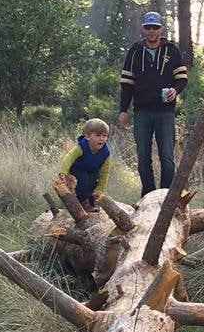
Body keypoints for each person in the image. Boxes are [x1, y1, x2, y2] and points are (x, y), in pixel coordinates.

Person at [118, 11, 188, 196]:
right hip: (141, 112)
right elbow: (126, 84)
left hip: (165, 113)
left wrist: (175, 90)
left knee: (167, 157)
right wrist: (123, 110)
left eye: (155, 27)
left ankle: (166, 197)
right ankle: (148, 195)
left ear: (161, 29)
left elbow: (182, 79)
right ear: (143, 28)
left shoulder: (171, 50)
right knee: (143, 158)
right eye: (148, 27)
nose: (151, 31)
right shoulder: (135, 51)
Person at [59, 118, 110, 211]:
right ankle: (83, 202)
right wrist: (63, 172)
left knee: (93, 181)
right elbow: (68, 158)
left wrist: (100, 188)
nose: (102, 138)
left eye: (105, 135)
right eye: (98, 135)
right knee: (84, 180)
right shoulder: (81, 147)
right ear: (87, 136)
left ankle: (92, 200)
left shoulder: (105, 153)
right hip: (77, 169)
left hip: (92, 170)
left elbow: (104, 173)